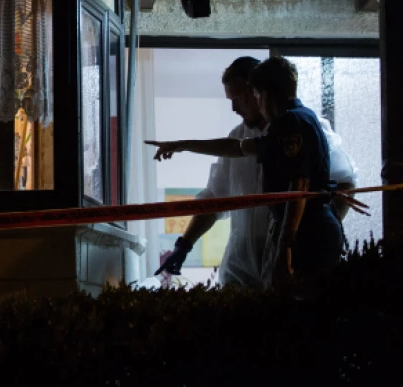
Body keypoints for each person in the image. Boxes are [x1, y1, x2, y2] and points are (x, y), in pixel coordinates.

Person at [147, 57, 367, 288]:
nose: (233, 108)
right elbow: (234, 156)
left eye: (239, 98)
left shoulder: (297, 123)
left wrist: (295, 240)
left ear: (258, 92)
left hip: (296, 242)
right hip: (247, 257)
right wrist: (184, 245)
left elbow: (304, 187)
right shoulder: (266, 133)